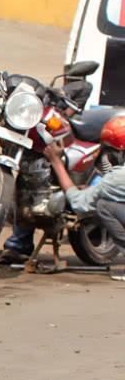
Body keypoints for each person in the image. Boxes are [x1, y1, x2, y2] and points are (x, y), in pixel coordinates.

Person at [44, 117, 125, 278]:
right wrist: (95, 189)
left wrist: (56, 162)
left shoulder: (116, 178)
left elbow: (78, 202)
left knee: (104, 207)